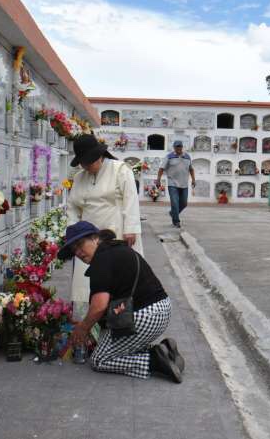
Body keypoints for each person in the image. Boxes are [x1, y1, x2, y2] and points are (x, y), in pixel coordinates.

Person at [59, 221, 184, 383]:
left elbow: (100, 306)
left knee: (99, 359)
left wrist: (83, 328)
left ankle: (154, 361)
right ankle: (165, 350)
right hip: (163, 309)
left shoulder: (101, 260)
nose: (78, 252)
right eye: (74, 249)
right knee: (111, 345)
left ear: (95, 238)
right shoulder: (115, 249)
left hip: (144, 316)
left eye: (80, 244)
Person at [67, 135, 143, 313]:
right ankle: (89, 316)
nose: (86, 167)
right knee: (87, 282)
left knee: (117, 278)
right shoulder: (79, 177)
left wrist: (130, 229)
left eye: (88, 162)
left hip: (115, 230)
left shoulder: (120, 170)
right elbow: (72, 206)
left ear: (99, 156)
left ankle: (119, 315)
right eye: (83, 163)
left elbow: (130, 200)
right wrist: (71, 232)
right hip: (87, 237)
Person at [156, 140, 195, 228]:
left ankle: (172, 213)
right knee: (174, 202)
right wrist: (158, 180)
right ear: (174, 147)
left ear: (182, 147)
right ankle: (176, 221)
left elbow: (191, 169)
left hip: (184, 184)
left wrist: (193, 180)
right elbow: (161, 169)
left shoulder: (187, 157)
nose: (178, 148)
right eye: (177, 147)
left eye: (180, 146)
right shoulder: (169, 157)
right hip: (172, 183)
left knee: (184, 203)